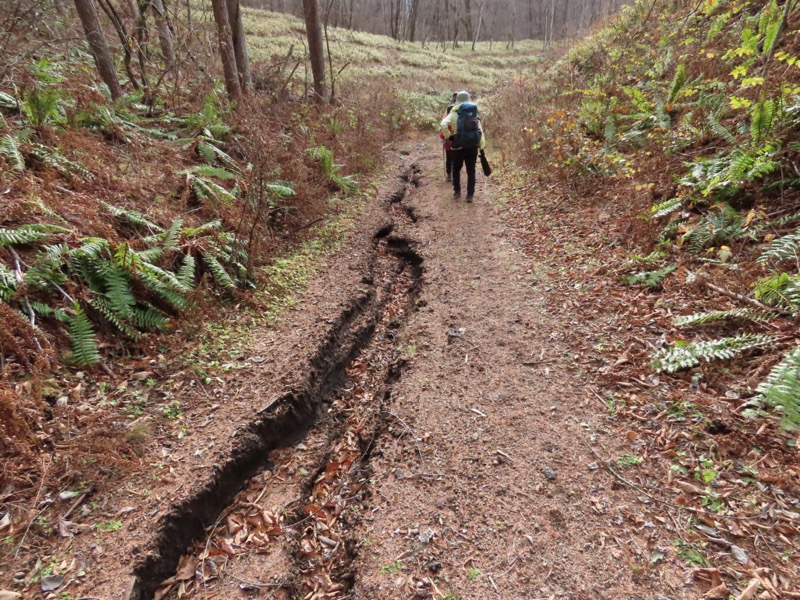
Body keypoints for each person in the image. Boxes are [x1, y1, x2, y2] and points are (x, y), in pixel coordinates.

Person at [439, 90, 485, 202]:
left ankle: (457, 192)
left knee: (456, 169)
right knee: (471, 170)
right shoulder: (473, 112)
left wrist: (449, 136)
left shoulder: (454, 112)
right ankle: (470, 195)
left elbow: (443, 124)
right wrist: (481, 146)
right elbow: (480, 131)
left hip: (458, 145)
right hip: (472, 146)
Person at [441, 92, 457, 181]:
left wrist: (444, 136)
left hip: (448, 137)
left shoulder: (449, 109)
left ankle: (449, 175)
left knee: (449, 158)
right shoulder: (464, 109)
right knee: (457, 158)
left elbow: (443, 124)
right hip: (459, 137)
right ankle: (454, 175)